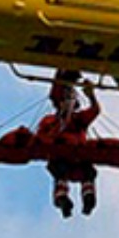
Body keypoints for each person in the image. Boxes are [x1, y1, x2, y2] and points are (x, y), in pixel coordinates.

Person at [36, 70, 101, 218]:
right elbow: (43, 137)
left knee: (86, 170)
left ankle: (88, 197)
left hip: (78, 155)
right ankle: (63, 199)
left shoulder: (78, 118)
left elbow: (95, 110)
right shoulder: (50, 121)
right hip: (61, 154)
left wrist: (91, 95)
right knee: (61, 169)